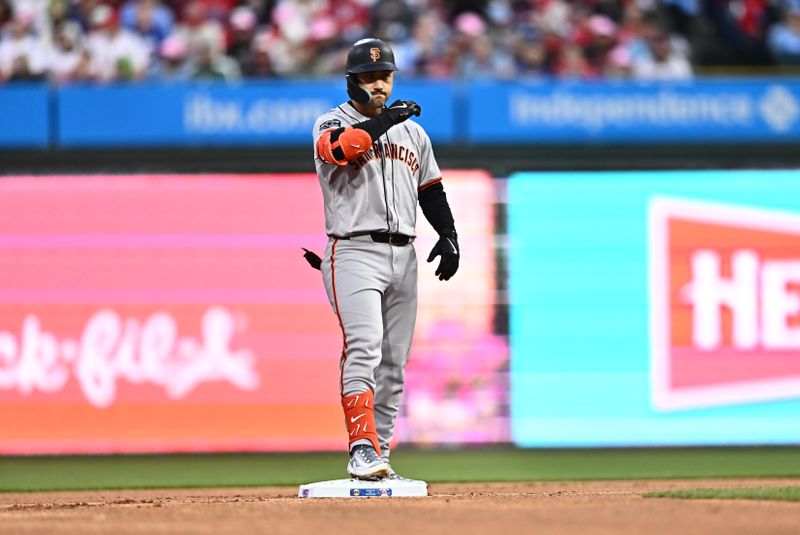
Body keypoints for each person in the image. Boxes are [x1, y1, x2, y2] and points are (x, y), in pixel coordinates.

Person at [310, 37, 460, 481]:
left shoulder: (414, 133)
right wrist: (388, 118)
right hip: (353, 249)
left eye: (386, 76)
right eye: (370, 77)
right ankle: (360, 448)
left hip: (404, 253)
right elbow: (344, 150)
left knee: (394, 361)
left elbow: (430, 188)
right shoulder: (330, 122)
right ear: (352, 80)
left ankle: (380, 454)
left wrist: (448, 233)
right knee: (365, 346)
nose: (380, 84)